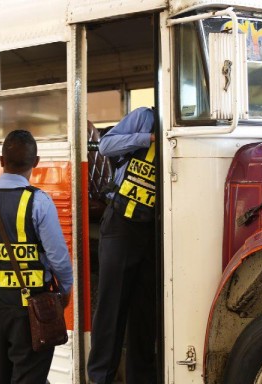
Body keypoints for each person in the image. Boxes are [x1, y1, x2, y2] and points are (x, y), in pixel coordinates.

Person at [0, 129, 73, 384]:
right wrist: (65, 290)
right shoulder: (39, 202)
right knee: (30, 377)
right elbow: (58, 258)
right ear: (36, 162)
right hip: (30, 311)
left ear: (1, 161)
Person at [87, 107, 157, 384]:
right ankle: (100, 377)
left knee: (146, 311)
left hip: (153, 230)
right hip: (121, 223)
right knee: (112, 306)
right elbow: (105, 145)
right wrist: (147, 139)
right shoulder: (144, 117)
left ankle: (141, 377)